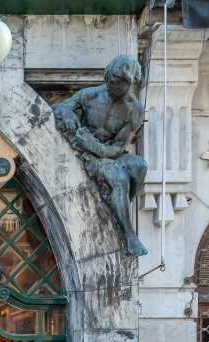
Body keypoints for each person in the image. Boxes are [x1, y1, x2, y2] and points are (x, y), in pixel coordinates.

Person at [52, 54, 148, 257]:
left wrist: (97, 147)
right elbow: (58, 107)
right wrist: (67, 113)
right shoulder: (91, 96)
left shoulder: (135, 110)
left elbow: (118, 147)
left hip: (109, 153)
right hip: (86, 154)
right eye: (108, 80)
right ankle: (129, 234)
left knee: (140, 167)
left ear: (128, 83)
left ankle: (119, 207)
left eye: (114, 82)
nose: (109, 86)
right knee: (119, 178)